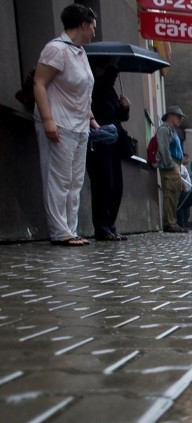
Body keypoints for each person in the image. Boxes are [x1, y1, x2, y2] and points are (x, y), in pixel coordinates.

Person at [33, 4, 98, 246]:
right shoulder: (56, 49)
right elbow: (39, 83)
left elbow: (81, 92)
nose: (94, 31)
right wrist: (48, 120)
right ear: (83, 25)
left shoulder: (79, 53)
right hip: (59, 124)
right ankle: (60, 232)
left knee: (75, 181)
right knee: (58, 179)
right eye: (92, 27)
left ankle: (71, 229)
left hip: (79, 126)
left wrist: (90, 118)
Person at [86, 62, 130, 241]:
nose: (115, 77)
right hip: (98, 142)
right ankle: (102, 227)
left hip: (113, 143)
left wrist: (125, 107)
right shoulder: (94, 87)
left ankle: (110, 224)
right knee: (104, 184)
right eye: (113, 73)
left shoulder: (110, 91)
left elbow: (119, 116)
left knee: (117, 186)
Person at [155, 105, 187, 233]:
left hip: (176, 165)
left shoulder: (172, 130)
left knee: (175, 193)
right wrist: (169, 164)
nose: (181, 120)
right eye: (179, 117)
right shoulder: (164, 129)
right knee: (170, 194)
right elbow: (163, 147)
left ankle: (172, 222)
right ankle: (170, 223)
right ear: (171, 116)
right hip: (170, 165)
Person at [177, 154, 192, 229]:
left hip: (186, 190)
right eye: (186, 158)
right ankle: (182, 224)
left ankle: (185, 223)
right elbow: (181, 178)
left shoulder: (184, 167)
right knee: (183, 207)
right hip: (184, 190)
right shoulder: (181, 167)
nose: (188, 160)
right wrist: (183, 187)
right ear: (182, 158)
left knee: (186, 208)